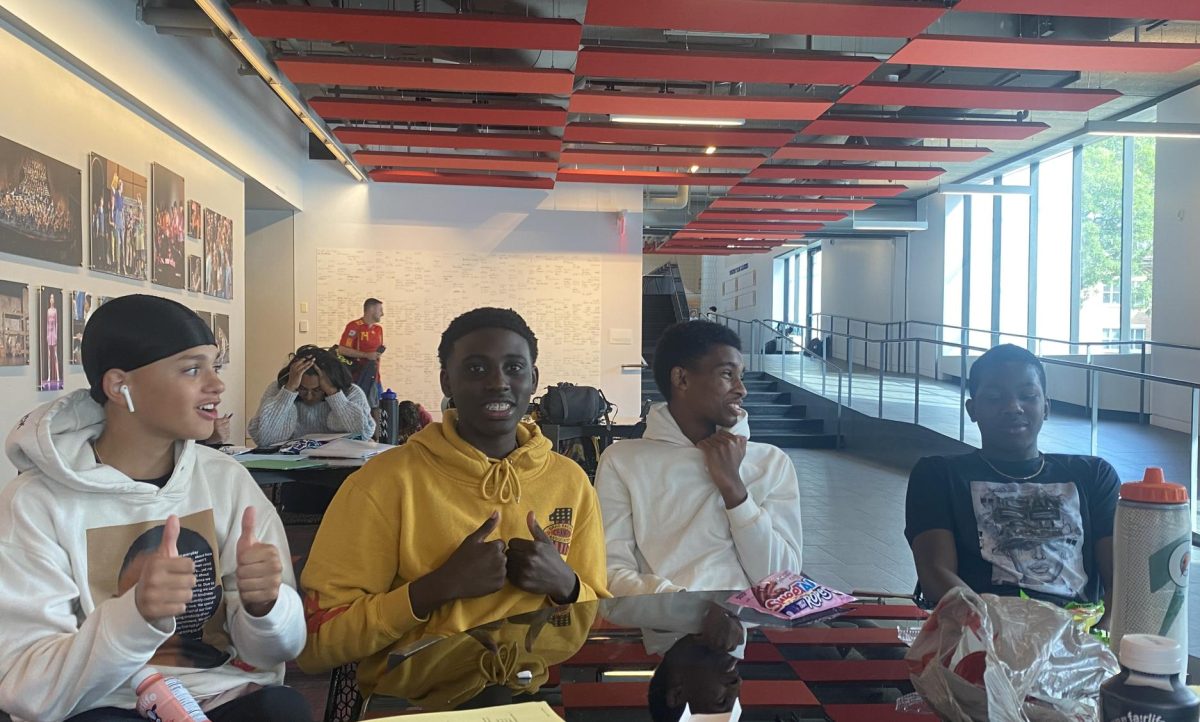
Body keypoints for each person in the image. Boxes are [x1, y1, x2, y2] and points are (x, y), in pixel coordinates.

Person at [0, 295, 310, 722]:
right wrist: (135, 614)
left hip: (221, 697)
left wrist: (267, 608)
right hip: (105, 706)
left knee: (283, 711)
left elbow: (278, 652)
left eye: (214, 366)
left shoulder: (226, 480)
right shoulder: (35, 504)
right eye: (191, 368)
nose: (216, 385)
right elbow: (27, 688)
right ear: (119, 386)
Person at [298, 307, 609, 699]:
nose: (498, 383)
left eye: (514, 368)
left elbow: (597, 618)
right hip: (412, 703)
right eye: (477, 369)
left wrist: (567, 585)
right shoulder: (384, 483)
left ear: (533, 380)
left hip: (531, 695)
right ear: (448, 380)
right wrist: (433, 589)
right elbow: (316, 645)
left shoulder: (570, 481)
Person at [904, 344, 1119, 613]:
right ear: (972, 410)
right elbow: (935, 573)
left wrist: (1104, 638)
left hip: (1078, 637)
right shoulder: (939, 476)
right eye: (994, 398)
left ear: (1046, 407)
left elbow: (1121, 580)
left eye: (1028, 396)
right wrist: (998, 633)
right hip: (983, 635)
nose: (1013, 407)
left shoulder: (1093, 476)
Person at [596, 320, 803, 596]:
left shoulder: (771, 462)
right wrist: (690, 609)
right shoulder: (623, 461)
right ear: (681, 379)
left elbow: (782, 581)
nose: (742, 389)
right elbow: (611, 572)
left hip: (757, 630)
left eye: (741, 375)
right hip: (665, 630)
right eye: (727, 374)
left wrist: (735, 490)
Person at [247, 345, 374, 447]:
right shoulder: (277, 390)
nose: (309, 396)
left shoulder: (351, 392)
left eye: (317, 390)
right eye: (302, 389)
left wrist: (333, 394)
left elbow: (363, 435)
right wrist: (289, 391)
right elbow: (263, 439)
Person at [338, 298, 385, 408]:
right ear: (371, 309)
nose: (382, 314)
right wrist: (366, 355)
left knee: (378, 408)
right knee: (361, 408)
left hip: (375, 377)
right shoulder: (354, 326)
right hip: (358, 378)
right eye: (380, 310)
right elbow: (342, 349)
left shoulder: (379, 329)